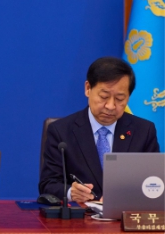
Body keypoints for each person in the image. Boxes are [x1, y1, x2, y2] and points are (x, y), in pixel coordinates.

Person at [39, 57, 160, 203]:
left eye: (119, 99)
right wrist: (71, 192)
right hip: (80, 215)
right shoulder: (61, 131)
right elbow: (48, 184)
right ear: (88, 88)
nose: (110, 106)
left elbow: (155, 182)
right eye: (104, 96)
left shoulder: (144, 131)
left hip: (125, 214)